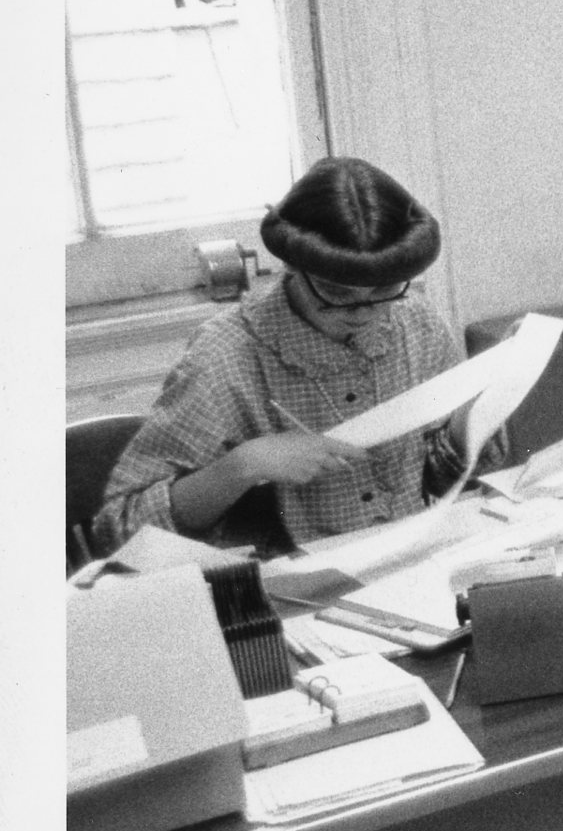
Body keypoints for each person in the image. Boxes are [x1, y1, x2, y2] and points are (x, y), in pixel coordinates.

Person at [94, 156, 466, 554]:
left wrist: (477, 412)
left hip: (413, 557)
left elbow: (444, 475)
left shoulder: (415, 321)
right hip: (290, 588)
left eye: (384, 289)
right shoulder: (227, 356)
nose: (364, 312)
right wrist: (243, 465)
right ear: (291, 266)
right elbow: (118, 530)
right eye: (337, 293)